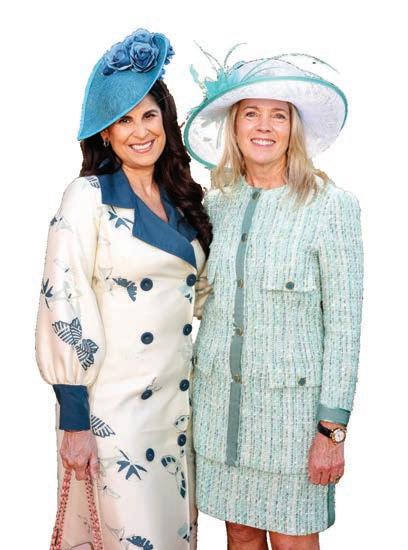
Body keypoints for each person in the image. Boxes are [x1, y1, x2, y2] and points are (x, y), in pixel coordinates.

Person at [35, 28, 211, 549]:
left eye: (149, 116)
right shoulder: (87, 197)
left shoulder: (185, 201)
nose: (140, 131)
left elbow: (202, 299)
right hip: (113, 416)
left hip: (177, 413)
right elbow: (62, 299)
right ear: (105, 134)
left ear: (166, 122)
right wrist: (74, 421)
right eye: (123, 120)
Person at [184, 48, 364, 549]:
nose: (264, 126)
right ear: (234, 125)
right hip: (221, 415)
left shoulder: (331, 208)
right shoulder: (213, 206)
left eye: (278, 115)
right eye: (251, 113)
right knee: (240, 537)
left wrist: (332, 430)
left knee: (292, 542)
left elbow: (345, 326)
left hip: (293, 423)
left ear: (293, 129)